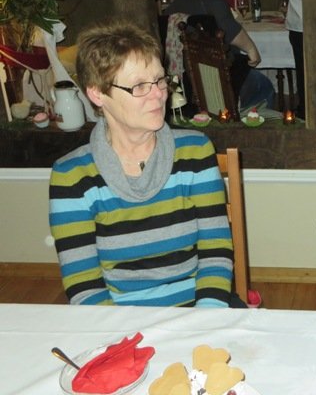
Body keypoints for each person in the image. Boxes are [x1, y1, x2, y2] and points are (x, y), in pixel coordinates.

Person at [49, 19, 240, 308]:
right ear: (97, 93)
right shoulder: (72, 176)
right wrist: (126, 333)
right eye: (139, 86)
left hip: (200, 306)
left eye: (160, 80)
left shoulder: (195, 151)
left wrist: (204, 318)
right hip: (120, 317)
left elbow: (216, 252)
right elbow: (84, 285)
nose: (159, 94)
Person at [163, 0, 275, 111]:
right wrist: (252, 49)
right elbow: (230, 33)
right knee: (264, 86)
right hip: (220, 79)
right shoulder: (213, 2)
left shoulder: (172, 7)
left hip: (187, 82)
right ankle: (247, 119)